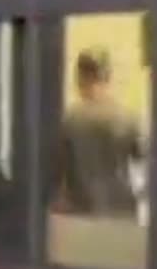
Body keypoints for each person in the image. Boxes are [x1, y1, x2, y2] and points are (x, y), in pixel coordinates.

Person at [53, 48, 145, 218]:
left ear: (80, 77)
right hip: (122, 212)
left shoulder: (69, 120)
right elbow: (147, 165)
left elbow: (58, 175)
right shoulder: (129, 117)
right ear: (108, 76)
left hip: (82, 213)